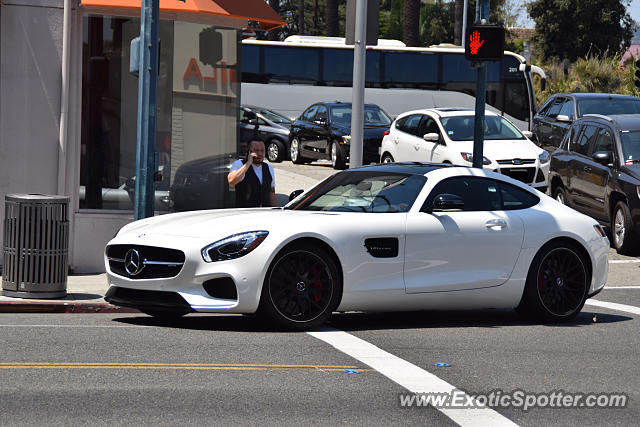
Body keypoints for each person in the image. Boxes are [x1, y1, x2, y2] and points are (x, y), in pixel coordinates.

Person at [227, 138, 277, 207]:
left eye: (262, 151)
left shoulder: (268, 167)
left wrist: (275, 210)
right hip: (245, 212)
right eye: (256, 150)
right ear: (248, 151)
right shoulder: (239, 164)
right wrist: (248, 163)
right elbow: (231, 181)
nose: (259, 154)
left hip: (264, 213)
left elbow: (271, 192)